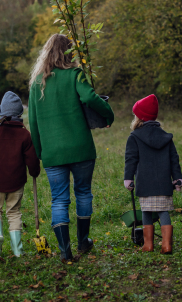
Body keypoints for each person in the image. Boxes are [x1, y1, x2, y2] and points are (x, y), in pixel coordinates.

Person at [28, 33, 115, 262]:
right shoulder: (76, 75)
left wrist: (39, 153)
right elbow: (91, 98)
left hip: (53, 153)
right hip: (81, 149)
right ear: (69, 52)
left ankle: (65, 251)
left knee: (59, 199)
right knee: (84, 193)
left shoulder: (37, 84)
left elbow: (33, 124)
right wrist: (108, 114)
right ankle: (83, 242)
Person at [0, 91, 41, 258]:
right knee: (14, 212)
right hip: (16, 182)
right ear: (19, 113)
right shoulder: (25, 135)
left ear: (1, 113)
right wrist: (35, 171)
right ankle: (17, 249)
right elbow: (32, 159)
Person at [124, 94, 182, 254]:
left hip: (144, 182)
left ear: (139, 118)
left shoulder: (134, 137)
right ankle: (166, 245)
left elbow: (131, 159)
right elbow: (174, 160)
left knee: (146, 212)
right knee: (163, 211)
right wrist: (177, 178)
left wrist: (128, 178)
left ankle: (148, 245)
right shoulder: (166, 137)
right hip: (163, 182)